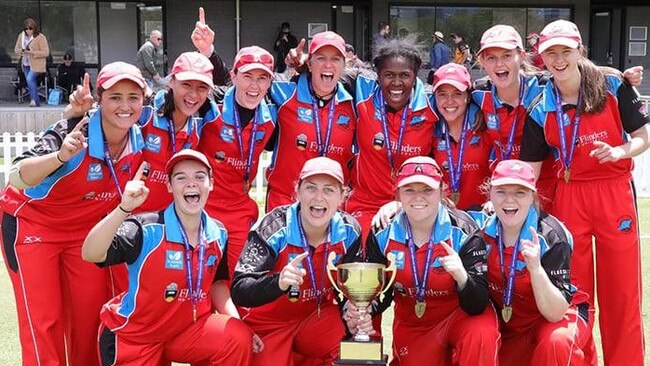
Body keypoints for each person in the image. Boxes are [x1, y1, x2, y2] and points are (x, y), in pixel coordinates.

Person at [520, 19, 650, 365]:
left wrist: (621, 151)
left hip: (614, 193)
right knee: (575, 291)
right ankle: (581, 360)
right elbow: (531, 171)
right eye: (551, 53)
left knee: (621, 291)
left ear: (580, 50)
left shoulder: (613, 85)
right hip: (569, 193)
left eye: (565, 51)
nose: (558, 59)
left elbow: (643, 136)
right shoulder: (539, 103)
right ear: (541, 57)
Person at [0, 61, 147, 365]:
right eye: (115, 97)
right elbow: (16, 176)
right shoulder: (73, 129)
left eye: (133, 97)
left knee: (90, 318)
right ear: (100, 99)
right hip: (33, 227)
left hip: (84, 236)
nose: (125, 106)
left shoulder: (140, 139)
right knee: (45, 321)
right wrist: (60, 155)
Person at [82, 149, 256, 365]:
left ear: (211, 184)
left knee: (237, 338)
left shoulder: (218, 233)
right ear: (169, 186)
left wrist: (239, 325)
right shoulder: (146, 229)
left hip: (185, 331)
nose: (191, 183)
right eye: (181, 177)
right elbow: (90, 253)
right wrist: (123, 209)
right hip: (136, 336)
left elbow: (218, 283)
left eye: (199, 177)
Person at [349, 156, 498, 365]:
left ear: (441, 191)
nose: (418, 197)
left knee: (481, 333)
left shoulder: (464, 232)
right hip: (415, 324)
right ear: (398, 194)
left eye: (427, 190)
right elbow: (381, 292)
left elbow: (477, 304)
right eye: (410, 189)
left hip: (458, 316)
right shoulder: (383, 232)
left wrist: (462, 277)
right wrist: (363, 309)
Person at [231, 157, 362, 366]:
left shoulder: (350, 231)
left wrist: (350, 308)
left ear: (342, 196)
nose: (319, 198)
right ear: (298, 191)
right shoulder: (274, 228)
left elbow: (348, 287)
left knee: (356, 348)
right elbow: (239, 289)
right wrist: (278, 282)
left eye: (329, 190)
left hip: (314, 317)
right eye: (311, 188)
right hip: (268, 324)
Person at [469, 159, 593, 365]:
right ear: (489, 194)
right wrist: (397, 206)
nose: (510, 200)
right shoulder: (476, 226)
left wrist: (535, 269)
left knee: (557, 341)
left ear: (533, 195)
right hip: (509, 317)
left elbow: (555, 313)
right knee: (477, 331)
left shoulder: (552, 235)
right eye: (501, 192)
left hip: (556, 313)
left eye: (520, 192)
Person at [345, 38, 438, 241]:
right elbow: (326, 74)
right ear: (378, 75)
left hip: (413, 205)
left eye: (404, 75)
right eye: (388, 75)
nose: (396, 83)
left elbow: (465, 96)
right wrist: (303, 64)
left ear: (415, 76)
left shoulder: (433, 102)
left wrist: (474, 111)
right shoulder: (362, 88)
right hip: (364, 204)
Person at [198, 45, 277, 277]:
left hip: (240, 212)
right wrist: (209, 52)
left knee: (240, 281)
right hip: (202, 208)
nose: (254, 86)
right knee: (198, 281)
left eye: (262, 78)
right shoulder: (210, 105)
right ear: (233, 76)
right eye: (247, 77)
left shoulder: (273, 114)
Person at [265, 31, 357, 212]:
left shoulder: (355, 100)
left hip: (333, 208)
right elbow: (246, 83)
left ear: (345, 64)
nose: (328, 65)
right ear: (310, 62)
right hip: (285, 204)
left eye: (336, 59)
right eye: (321, 58)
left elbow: (395, 76)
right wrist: (208, 53)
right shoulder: (284, 91)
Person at [430, 63, 492, 211]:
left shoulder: (486, 127)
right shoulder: (430, 131)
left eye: (457, 93)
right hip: (446, 219)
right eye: (442, 94)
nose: (449, 101)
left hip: (484, 216)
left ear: (468, 96)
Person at [14, 18, 49, 107]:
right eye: (26, 28)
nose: (28, 30)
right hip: (25, 63)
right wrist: (22, 51)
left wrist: (32, 53)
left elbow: (46, 52)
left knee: (30, 79)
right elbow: (16, 49)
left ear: (34, 28)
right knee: (30, 82)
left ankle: (33, 100)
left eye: (30, 28)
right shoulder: (21, 36)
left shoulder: (40, 37)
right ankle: (37, 103)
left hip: (37, 64)